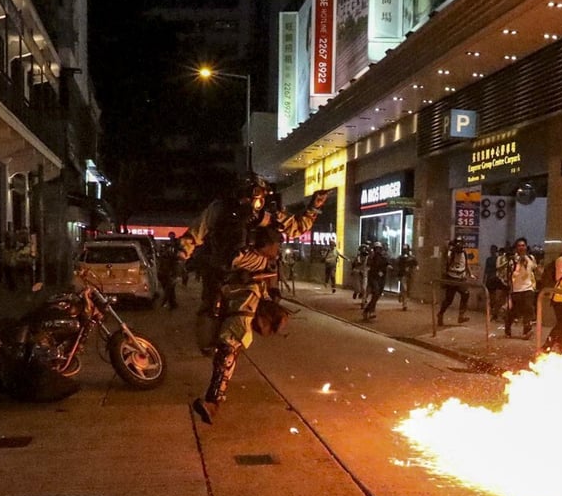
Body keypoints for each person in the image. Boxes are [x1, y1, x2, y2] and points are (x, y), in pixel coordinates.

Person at [178, 173, 328, 425]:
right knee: (206, 339)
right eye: (245, 194)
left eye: (254, 194)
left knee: (230, 339)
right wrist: (181, 256)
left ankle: (213, 401)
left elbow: (297, 226)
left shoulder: (271, 215)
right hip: (217, 279)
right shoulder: (219, 210)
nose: (249, 199)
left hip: (250, 285)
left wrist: (314, 207)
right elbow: (195, 233)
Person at [503, 237, 540, 338]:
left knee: (528, 308)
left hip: (528, 288)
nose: (521, 248)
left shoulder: (531, 258)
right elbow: (510, 273)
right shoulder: (512, 259)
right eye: (519, 246)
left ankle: (526, 331)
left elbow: (534, 269)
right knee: (514, 311)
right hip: (516, 289)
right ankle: (507, 328)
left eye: (523, 245)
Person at [437, 237, 474, 326]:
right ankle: (441, 313)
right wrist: (451, 249)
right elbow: (446, 260)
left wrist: (470, 274)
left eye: (461, 244)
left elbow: (466, 264)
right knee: (449, 299)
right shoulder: (451, 253)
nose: (460, 246)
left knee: (466, 294)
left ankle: (461, 315)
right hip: (452, 277)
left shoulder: (464, 252)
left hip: (461, 277)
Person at [363, 241, 391, 320]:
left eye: (379, 249)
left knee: (377, 295)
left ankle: (368, 309)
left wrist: (388, 266)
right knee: (376, 292)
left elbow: (387, 264)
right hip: (373, 277)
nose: (378, 250)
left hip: (381, 278)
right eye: (376, 249)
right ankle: (371, 310)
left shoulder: (383, 257)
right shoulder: (371, 257)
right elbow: (368, 266)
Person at [157, 232, 181, 310]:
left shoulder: (176, 246)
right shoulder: (166, 249)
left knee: (170, 289)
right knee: (169, 289)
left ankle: (171, 303)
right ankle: (171, 303)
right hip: (165, 273)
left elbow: (175, 264)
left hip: (169, 273)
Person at [483, 245, 507, 321]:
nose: (492, 251)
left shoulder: (498, 259)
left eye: (493, 249)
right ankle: (493, 313)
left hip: (497, 279)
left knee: (497, 298)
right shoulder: (489, 259)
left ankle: (495, 313)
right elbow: (486, 271)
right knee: (492, 298)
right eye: (491, 249)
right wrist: (484, 280)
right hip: (491, 280)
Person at [396, 244, 419, 310]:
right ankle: (405, 304)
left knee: (407, 289)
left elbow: (416, 263)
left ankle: (400, 294)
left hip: (409, 275)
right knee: (405, 289)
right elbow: (397, 265)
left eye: (406, 249)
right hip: (403, 275)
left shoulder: (411, 257)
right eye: (404, 250)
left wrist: (416, 267)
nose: (405, 251)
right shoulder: (400, 257)